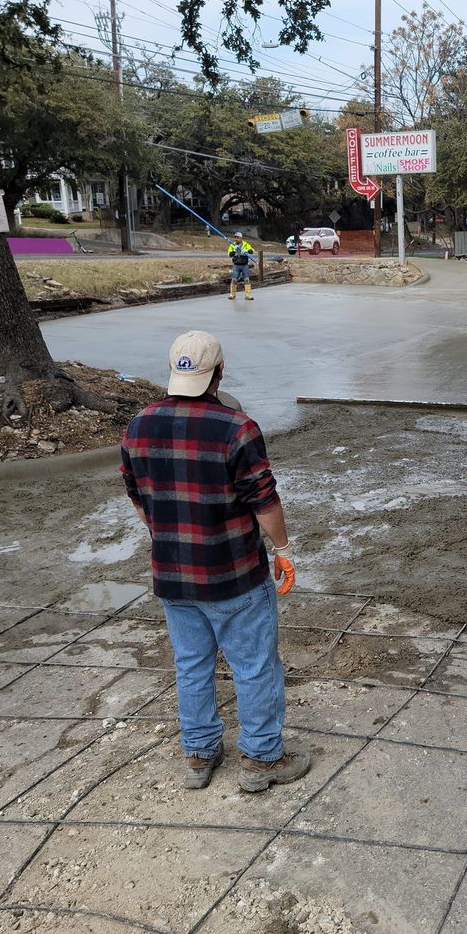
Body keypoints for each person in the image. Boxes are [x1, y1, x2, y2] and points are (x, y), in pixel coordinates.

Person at [120, 330, 311, 793]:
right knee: (254, 665)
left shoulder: (137, 426)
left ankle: (201, 754)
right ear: (219, 373)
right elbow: (263, 501)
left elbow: (138, 496)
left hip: (172, 575)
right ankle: (262, 759)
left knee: (191, 664)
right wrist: (282, 551)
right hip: (235, 576)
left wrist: (165, 536)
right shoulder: (236, 428)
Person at [227, 231, 257, 301]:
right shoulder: (232, 245)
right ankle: (232, 294)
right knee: (234, 280)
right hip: (236, 265)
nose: (236, 239)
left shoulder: (246, 244)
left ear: (241, 238)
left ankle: (248, 295)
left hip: (244, 265)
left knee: (246, 280)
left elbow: (252, 251)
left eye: (237, 237)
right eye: (235, 238)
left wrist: (245, 251)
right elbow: (229, 254)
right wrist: (234, 251)